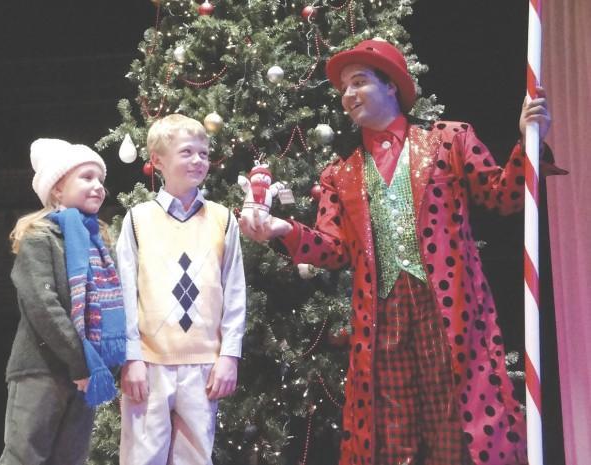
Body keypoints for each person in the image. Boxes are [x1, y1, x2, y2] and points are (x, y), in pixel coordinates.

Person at [239, 39, 552, 465]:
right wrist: (285, 229)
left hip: (449, 313)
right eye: (344, 88)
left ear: (393, 87)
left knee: (456, 435)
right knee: (392, 441)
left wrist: (527, 143)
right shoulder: (340, 174)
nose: (348, 95)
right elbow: (333, 250)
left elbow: (503, 197)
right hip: (382, 321)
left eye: (360, 82)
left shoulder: (449, 141)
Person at [117, 114, 246, 465]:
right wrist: (132, 358)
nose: (198, 160)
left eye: (203, 153)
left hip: (204, 364)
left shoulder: (222, 218)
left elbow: (234, 291)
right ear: (158, 161)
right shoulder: (138, 219)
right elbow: (126, 292)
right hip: (150, 362)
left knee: (195, 457)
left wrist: (229, 356)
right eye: (186, 152)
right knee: (142, 458)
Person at [0, 138, 126, 465]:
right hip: (42, 370)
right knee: (24, 458)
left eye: (101, 180)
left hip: (85, 373)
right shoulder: (40, 236)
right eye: (86, 177)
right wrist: (80, 362)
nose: (98, 186)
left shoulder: (100, 242)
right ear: (57, 190)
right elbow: (43, 305)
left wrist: (95, 365)